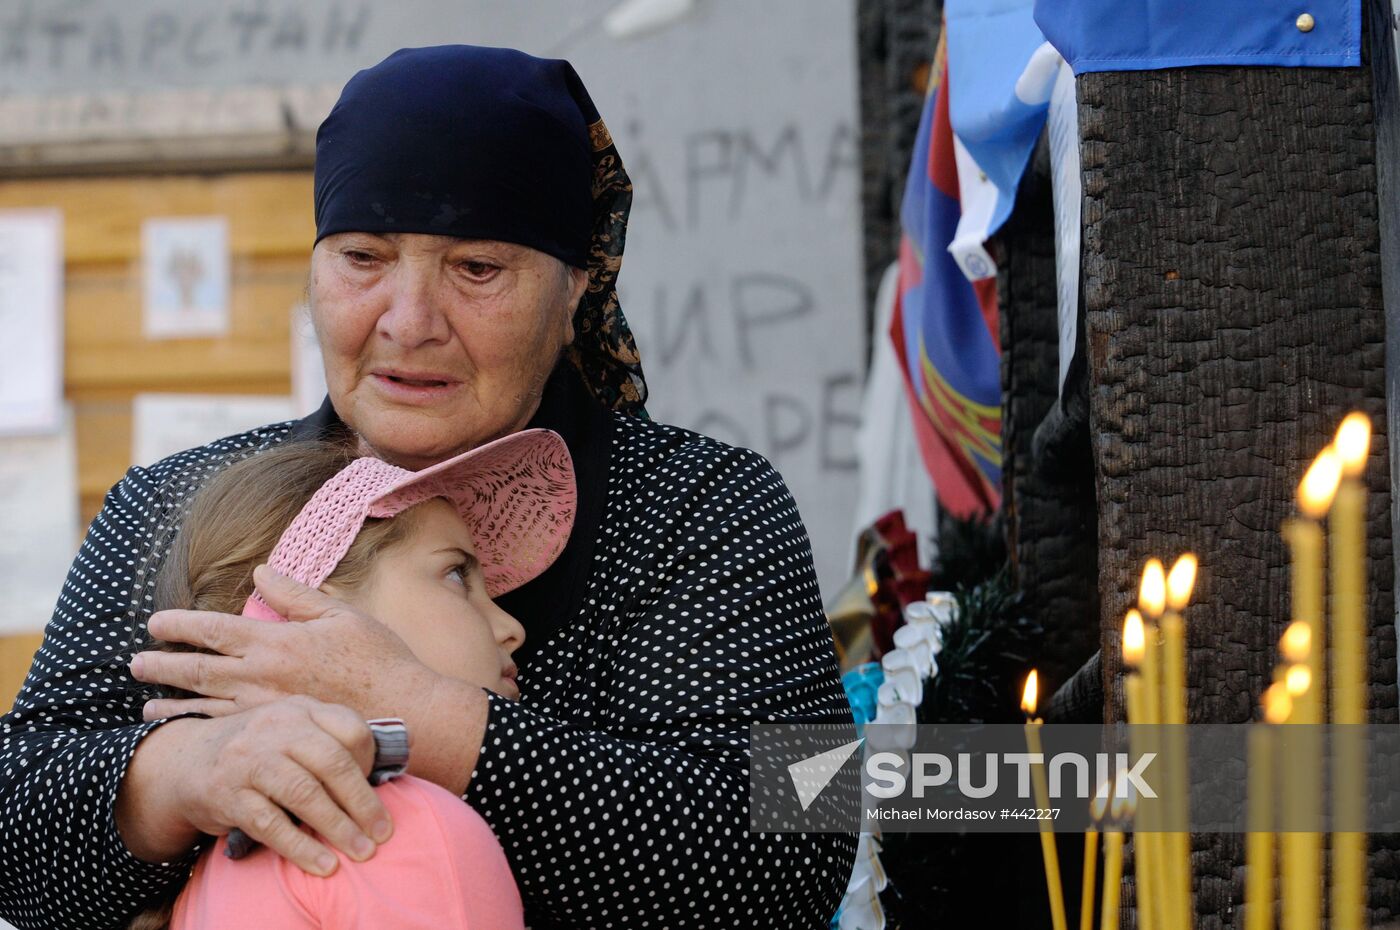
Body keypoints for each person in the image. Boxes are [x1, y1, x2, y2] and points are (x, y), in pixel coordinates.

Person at [0, 44, 855, 930]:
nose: (409, 323)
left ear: (575, 291)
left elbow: (805, 831)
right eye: (363, 258)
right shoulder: (181, 509)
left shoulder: (701, 505)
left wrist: (420, 718)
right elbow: (13, 818)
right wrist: (185, 773)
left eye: (476, 269)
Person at [130, 430, 574, 930]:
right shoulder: (407, 830)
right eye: (456, 575)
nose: (512, 628)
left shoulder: (205, 870)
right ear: (308, 614)